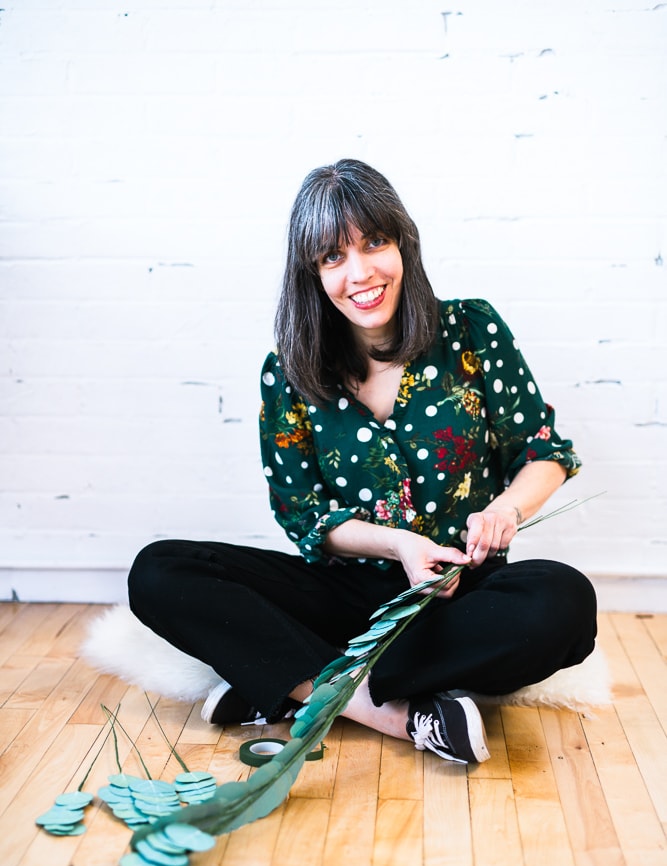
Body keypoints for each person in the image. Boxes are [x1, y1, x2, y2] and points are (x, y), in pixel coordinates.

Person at [128, 159, 597, 766]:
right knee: (160, 571)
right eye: (333, 256)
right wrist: (397, 544)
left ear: (403, 242)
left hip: (456, 597)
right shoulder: (288, 374)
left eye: (374, 242)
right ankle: (394, 713)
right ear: (312, 273)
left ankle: (292, 680)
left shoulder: (472, 331)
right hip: (343, 593)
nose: (360, 272)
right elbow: (304, 515)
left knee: (563, 603)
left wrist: (504, 509)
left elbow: (542, 450)